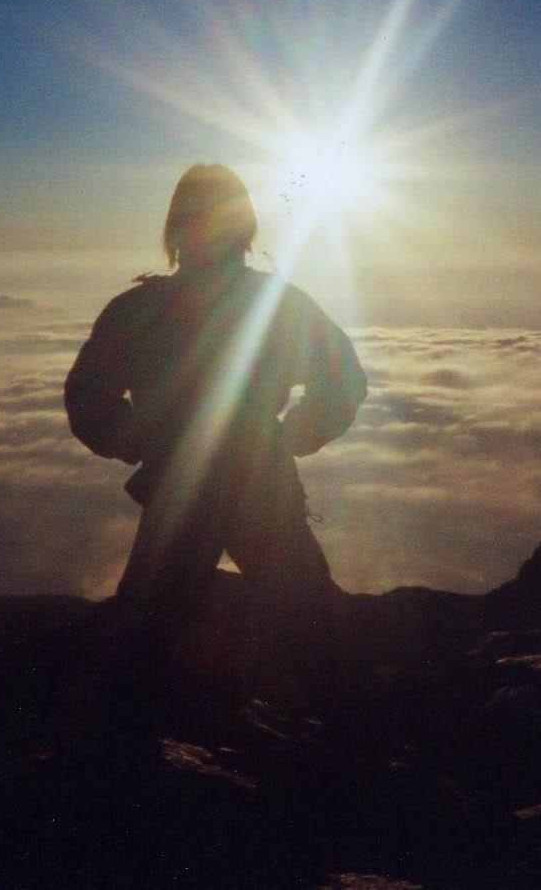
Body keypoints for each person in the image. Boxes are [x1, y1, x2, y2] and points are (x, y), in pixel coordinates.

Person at [65, 164, 366, 718]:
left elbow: (88, 397)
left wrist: (135, 438)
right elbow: (343, 376)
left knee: (145, 635)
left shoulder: (138, 310)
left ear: (174, 230)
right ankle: (355, 752)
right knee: (310, 625)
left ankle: (120, 764)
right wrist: (299, 433)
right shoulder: (277, 304)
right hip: (260, 482)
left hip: (182, 487)